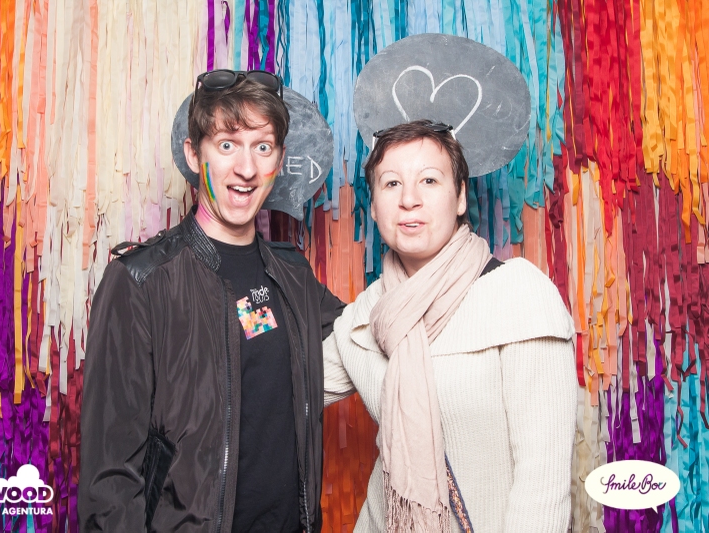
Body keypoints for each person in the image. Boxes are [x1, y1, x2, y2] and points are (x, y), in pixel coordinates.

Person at [79, 70, 345, 533]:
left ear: (280, 159)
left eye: (262, 147)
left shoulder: (293, 275)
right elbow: (109, 486)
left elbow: (369, 334)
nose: (246, 168)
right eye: (227, 145)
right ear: (193, 153)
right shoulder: (140, 282)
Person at [324, 120, 577, 532]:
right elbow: (281, 378)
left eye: (429, 180)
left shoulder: (519, 293)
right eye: (391, 184)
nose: (409, 199)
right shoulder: (367, 314)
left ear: (460, 197)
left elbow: (542, 484)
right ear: (372, 206)